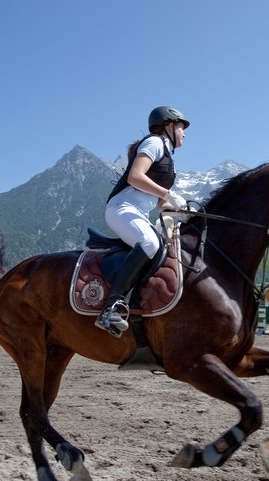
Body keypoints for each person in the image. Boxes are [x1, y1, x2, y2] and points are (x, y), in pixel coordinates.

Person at [95, 106, 190, 336]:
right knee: (150, 243)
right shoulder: (155, 143)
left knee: (169, 245)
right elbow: (135, 177)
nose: (184, 132)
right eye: (181, 126)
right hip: (121, 208)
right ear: (168, 125)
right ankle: (110, 309)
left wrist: (184, 213)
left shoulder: (169, 161)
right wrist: (167, 194)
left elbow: (161, 205)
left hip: (139, 213)